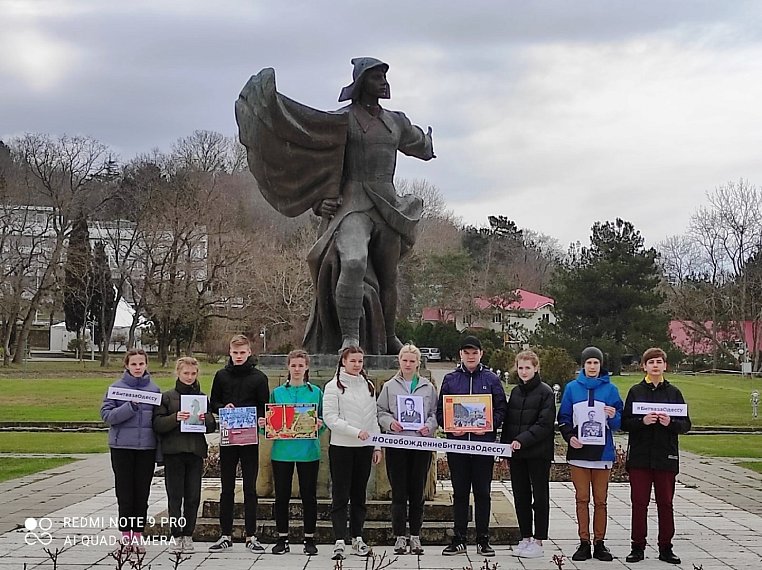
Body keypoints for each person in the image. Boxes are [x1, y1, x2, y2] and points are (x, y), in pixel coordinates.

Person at [235, 58, 434, 354]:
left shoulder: (396, 122)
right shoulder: (342, 120)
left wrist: (428, 142)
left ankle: (389, 336)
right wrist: (318, 200)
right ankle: (350, 338)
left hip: (388, 206)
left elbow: (423, 147)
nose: (383, 82)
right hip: (352, 205)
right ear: (361, 82)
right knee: (353, 262)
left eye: (384, 76)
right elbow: (315, 159)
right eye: (376, 77)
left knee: (388, 275)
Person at [435, 336, 507, 557]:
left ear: (481, 354)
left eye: (474, 352)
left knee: (483, 493)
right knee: (460, 493)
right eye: (466, 352)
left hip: (483, 445)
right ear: (460, 355)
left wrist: (486, 426)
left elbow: (501, 410)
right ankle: (459, 538)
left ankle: (483, 538)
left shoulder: (492, 379)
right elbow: (440, 412)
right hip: (457, 446)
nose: (470, 356)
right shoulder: (450, 379)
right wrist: (449, 427)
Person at [621, 347, 692, 565]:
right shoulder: (636, 392)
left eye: (659, 362)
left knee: (665, 503)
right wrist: (642, 422)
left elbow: (686, 424)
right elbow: (625, 423)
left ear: (664, 366)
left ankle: (666, 547)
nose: (655, 365)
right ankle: (637, 546)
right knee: (639, 503)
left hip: (665, 457)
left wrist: (670, 423)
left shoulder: (674, 393)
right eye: (651, 362)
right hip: (641, 458)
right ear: (644, 366)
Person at [557, 346, 623, 562]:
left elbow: (619, 422)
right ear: (583, 365)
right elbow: (564, 417)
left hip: (603, 452)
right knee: (581, 499)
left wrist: (613, 416)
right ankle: (584, 542)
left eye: (596, 362)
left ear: (600, 365)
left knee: (601, 501)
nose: (592, 366)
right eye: (589, 363)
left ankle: (600, 542)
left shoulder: (611, 390)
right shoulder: (572, 388)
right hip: (579, 452)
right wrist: (569, 437)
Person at [208, 335, 269, 553]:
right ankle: (225, 534)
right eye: (235, 353)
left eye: (243, 352)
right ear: (230, 353)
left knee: (250, 488)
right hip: (228, 438)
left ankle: (251, 535)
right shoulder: (221, 375)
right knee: (227, 487)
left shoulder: (259, 378)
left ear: (249, 352)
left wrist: (262, 417)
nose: (239, 356)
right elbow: (213, 402)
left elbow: (264, 406)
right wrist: (224, 406)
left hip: (250, 439)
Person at [376, 344, 438, 555]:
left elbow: (435, 413)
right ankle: (400, 536)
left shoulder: (427, 387)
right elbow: (380, 411)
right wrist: (389, 423)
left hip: (421, 445)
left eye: (412, 361)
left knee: (417, 491)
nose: (408, 364)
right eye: (405, 360)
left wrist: (428, 427)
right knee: (399, 492)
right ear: (399, 361)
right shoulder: (389, 386)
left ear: (418, 363)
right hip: (397, 445)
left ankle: (416, 536)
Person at [323, 346, 383, 560]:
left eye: (360, 361)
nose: (357, 364)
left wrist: (376, 445)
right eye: (353, 361)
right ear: (343, 362)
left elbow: (373, 418)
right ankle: (339, 540)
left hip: (364, 449)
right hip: (342, 448)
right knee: (340, 495)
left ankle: (357, 537)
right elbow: (331, 418)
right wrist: (356, 432)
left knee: (359, 495)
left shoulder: (368, 386)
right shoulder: (333, 387)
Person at [153, 357, 217, 554]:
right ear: (178, 373)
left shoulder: (202, 398)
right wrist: (175, 418)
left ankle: (188, 535)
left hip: (195, 452)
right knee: (175, 497)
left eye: (193, 373)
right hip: (174, 453)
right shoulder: (167, 397)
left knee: (193, 497)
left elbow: (211, 425)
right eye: (186, 373)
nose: (189, 377)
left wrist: (204, 418)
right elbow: (158, 424)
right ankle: (176, 535)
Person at [100, 349, 160, 553]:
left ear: (146, 365)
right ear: (126, 365)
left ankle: (138, 534)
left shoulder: (154, 390)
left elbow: (158, 420)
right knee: (125, 493)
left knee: (142, 494)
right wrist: (129, 408)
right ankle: (126, 536)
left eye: (141, 364)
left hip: (145, 449)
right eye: (133, 364)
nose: (137, 368)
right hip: (122, 448)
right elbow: (107, 415)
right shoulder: (116, 389)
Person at [265, 350, 324, 556]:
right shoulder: (278, 392)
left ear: (307, 367)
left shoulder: (315, 392)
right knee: (282, 496)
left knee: (309, 496)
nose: (297, 369)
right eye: (294, 365)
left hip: (308, 451)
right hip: (282, 452)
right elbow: (270, 423)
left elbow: (323, 420)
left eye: (301, 365)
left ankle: (309, 538)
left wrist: (320, 424)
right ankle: (282, 538)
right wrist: (264, 425)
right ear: (288, 367)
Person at [500, 350, 556, 559]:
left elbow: (544, 424)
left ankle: (539, 540)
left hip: (538, 453)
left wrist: (522, 440)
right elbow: (509, 422)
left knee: (539, 497)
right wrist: (505, 448)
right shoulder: (515, 392)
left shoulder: (546, 392)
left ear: (536, 368)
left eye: (528, 368)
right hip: (517, 454)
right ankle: (525, 537)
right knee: (521, 496)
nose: (524, 371)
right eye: (521, 367)